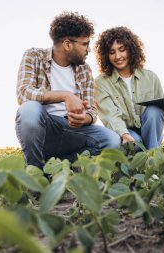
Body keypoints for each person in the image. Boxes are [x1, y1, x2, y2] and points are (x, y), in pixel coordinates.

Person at [15, 12, 120, 169]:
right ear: (67, 44)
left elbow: (91, 111)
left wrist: (84, 119)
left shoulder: (85, 70)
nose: (89, 49)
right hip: (44, 127)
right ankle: (34, 170)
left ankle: (59, 167)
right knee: (29, 109)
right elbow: (24, 93)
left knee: (112, 140)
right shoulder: (34, 56)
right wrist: (65, 96)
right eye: (85, 44)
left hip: (73, 130)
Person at [94, 26, 164, 150]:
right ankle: (150, 159)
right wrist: (125, 135)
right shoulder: (102, 82)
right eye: (112, 52)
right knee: (136, 142)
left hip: (151, 133)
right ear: (106, 56)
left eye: (122, 49)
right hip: (125, 132)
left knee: (154, 111)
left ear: (131, 49)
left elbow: (161, 115)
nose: (118, 56)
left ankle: (152, 159)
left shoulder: (151, 77)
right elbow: (110, 116)